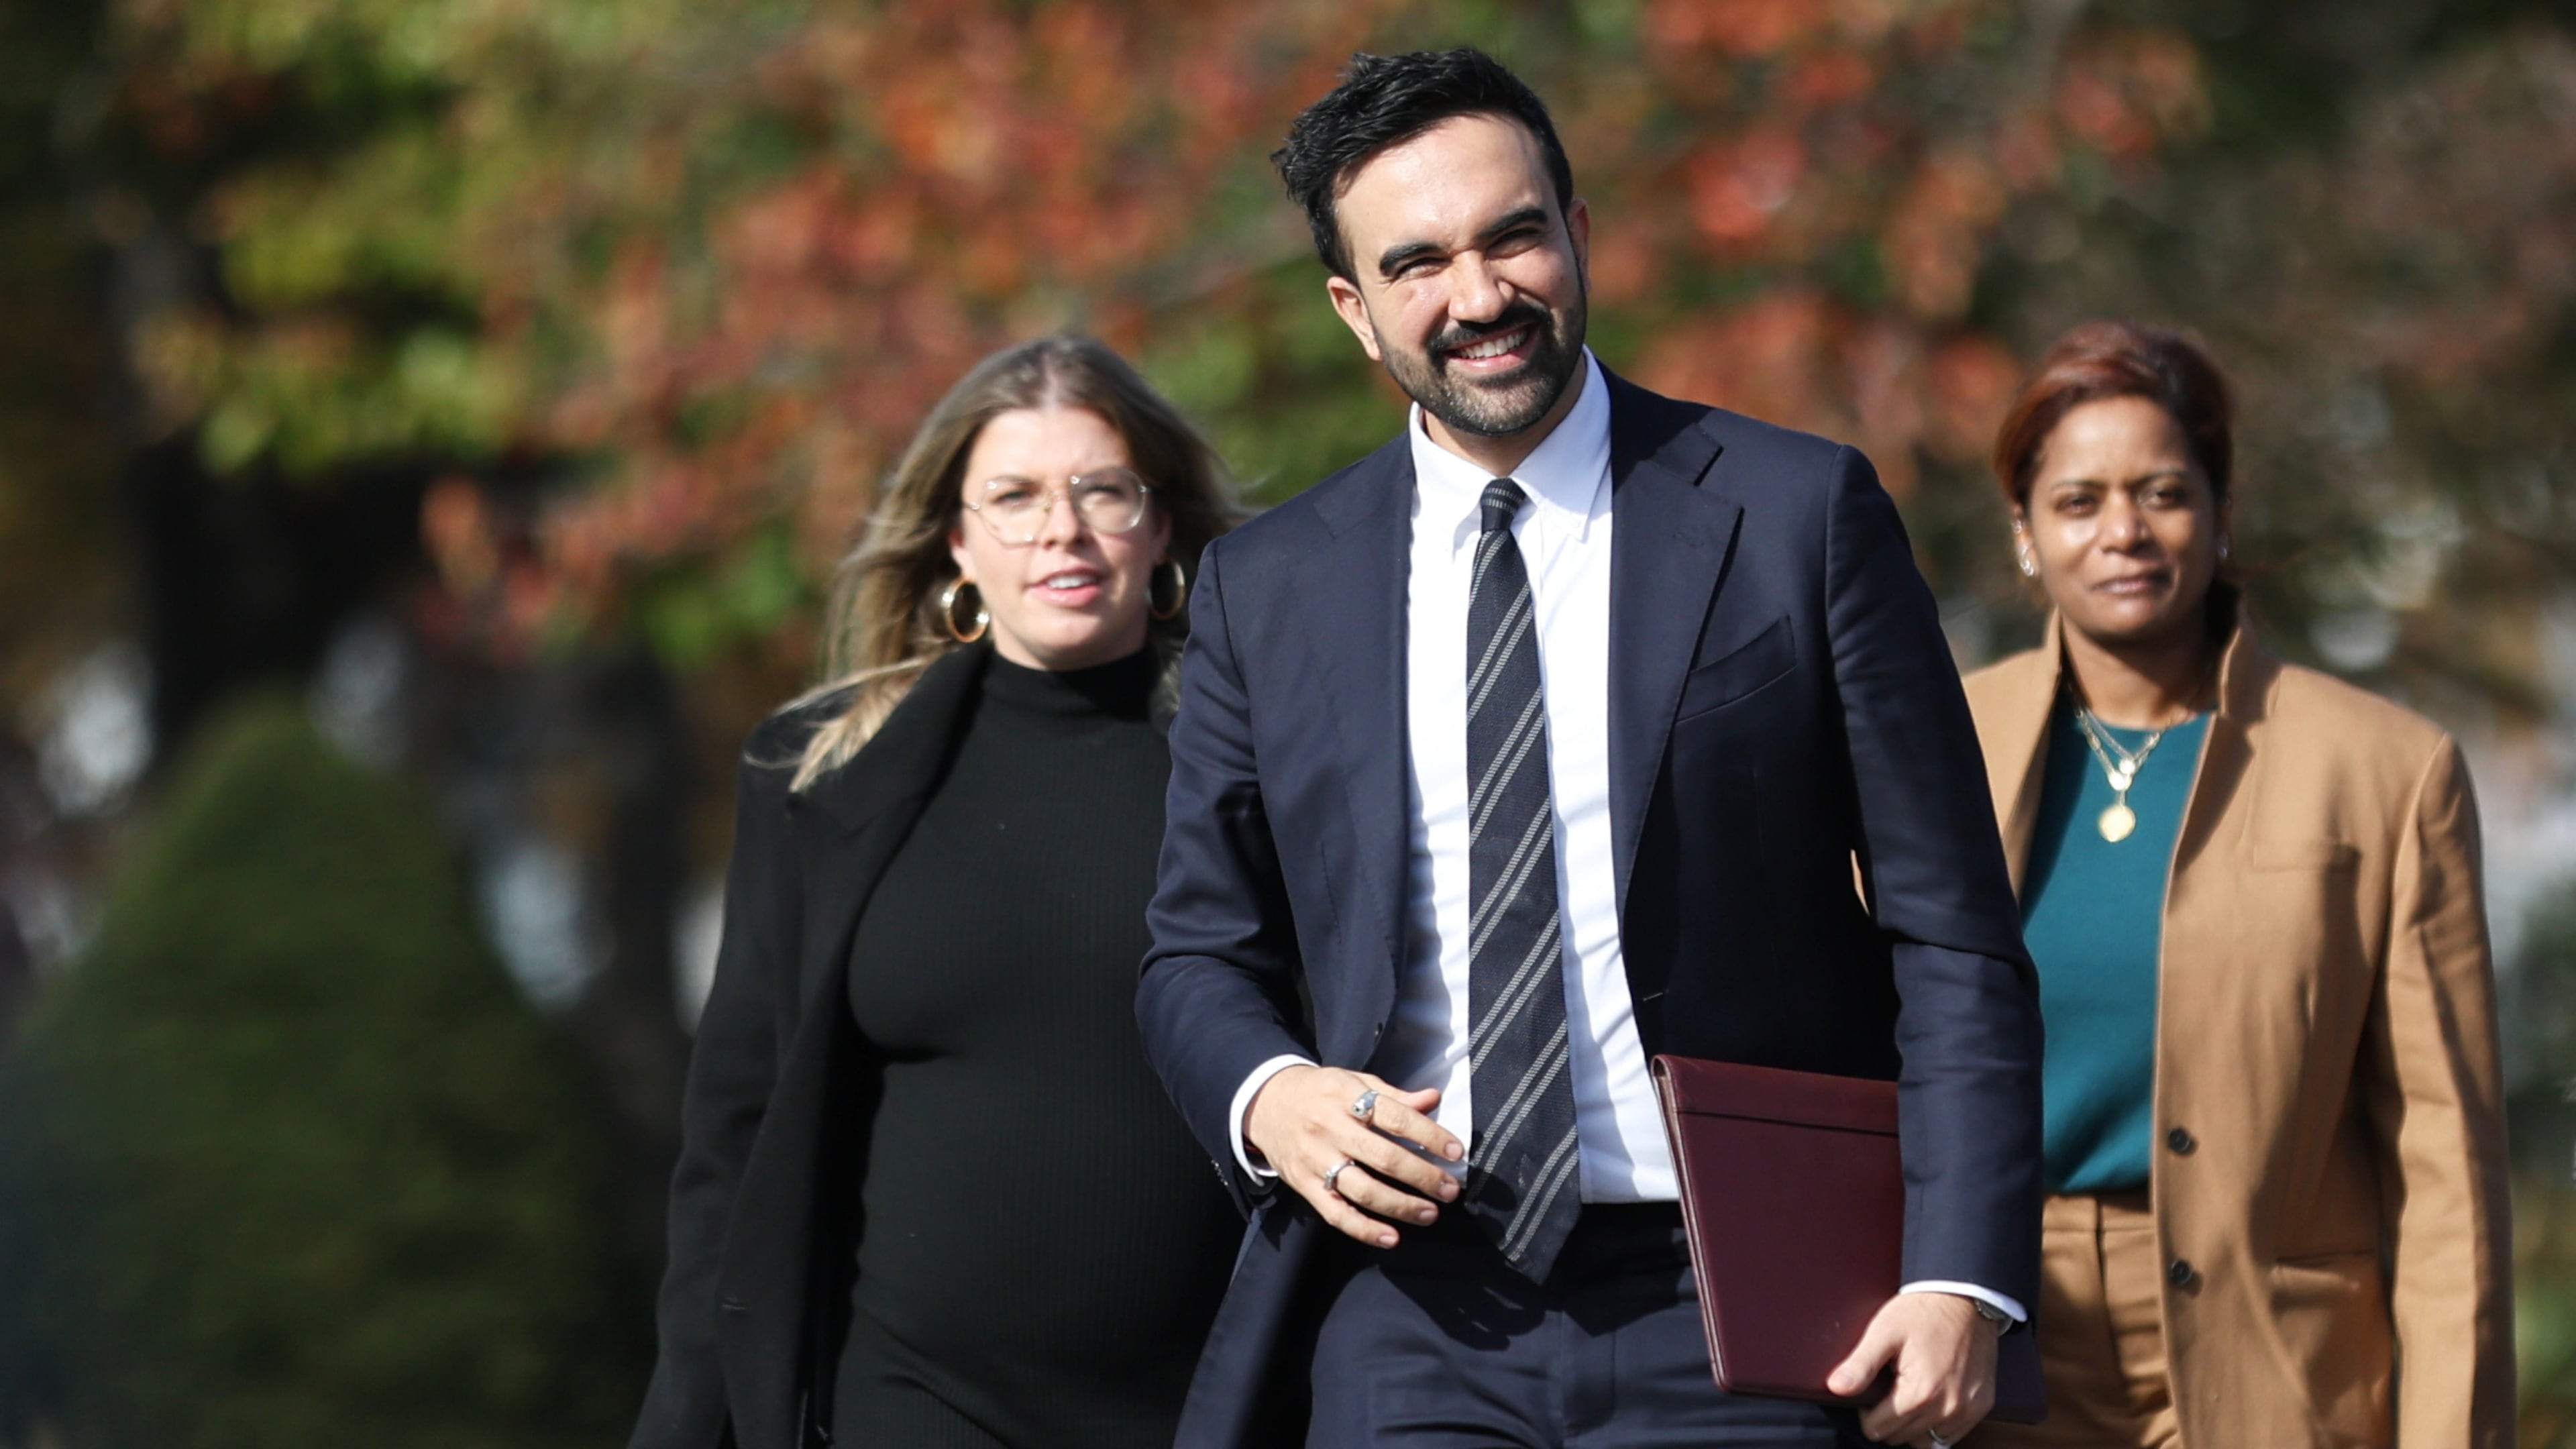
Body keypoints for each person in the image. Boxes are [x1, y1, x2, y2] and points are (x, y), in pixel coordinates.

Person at [1136, 49, 2043, 1449]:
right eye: (1420, 262)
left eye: (1515, 236)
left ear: (1579, 232)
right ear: (1354, 311)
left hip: (1741, 1299)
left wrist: (1959, 1270)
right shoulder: (1269, 586)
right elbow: (1196, 952)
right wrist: (1276, 1098)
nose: (1482, 296)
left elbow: (1952, 930)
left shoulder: (1800, 516)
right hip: (1409, 1313)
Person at [631, 334, 1247, 1449]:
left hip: (1210, 1404)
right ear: (956, 538)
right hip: (915, 1403)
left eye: (1101, 489)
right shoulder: (817, 773)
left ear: (1160, 524)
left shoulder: (1260, 761)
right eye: (1013, 496)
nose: (1060, 528)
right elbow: (734, 1132)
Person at [1957, 321, 2512, 1448]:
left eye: (2163, 493)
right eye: (2078, 503)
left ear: (2220, 515)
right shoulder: (1936, 747)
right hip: (1999, 1334)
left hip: (2277, 1360)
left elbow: (2445, 1167)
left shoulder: (2387, 772)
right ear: (2025, 535)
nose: (2124, 532)